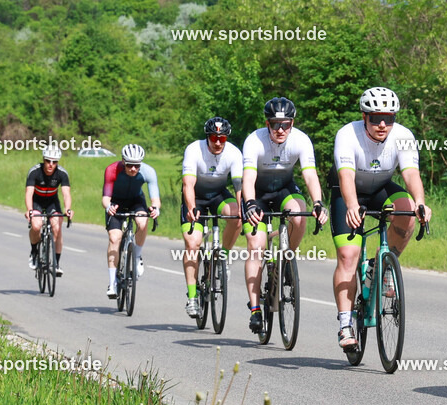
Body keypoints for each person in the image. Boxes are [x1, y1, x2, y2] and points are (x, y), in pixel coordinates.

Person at [329, 87, 431, 348]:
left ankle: (383, 267)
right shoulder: (347, 134)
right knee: (348, 256)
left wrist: (420, 202)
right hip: (347, 192)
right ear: (364, 117)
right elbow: (346, 176)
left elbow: (410, 173)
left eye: (389, 118)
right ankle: (345, 324)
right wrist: (352, 205)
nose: (382, 125)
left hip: (380, 188)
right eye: (375, 118)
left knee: (407, 211)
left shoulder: (403, 136)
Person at [240, 97, 327, 334]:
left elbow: (309, 174)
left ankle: (286, 259)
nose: (280, 130)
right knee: (255, 246)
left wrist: (318, 202)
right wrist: (249, 203)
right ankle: (255, 309)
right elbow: (248, 177)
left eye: (285, 125)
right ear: (267, 124)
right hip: (257, 193)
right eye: (275, 124)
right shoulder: (254, 140)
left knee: (299, 216)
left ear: (292, 123)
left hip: (284, 189)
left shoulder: (301, 140)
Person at [180, 117, 243, 318]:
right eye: (214, 138)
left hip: (218, 195)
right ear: (207, 137)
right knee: (192, 244)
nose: (217, 142)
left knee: (237, 217)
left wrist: (243, 209)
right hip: (196, 197)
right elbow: (188, 184)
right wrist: (191, 207)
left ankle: (222, 257)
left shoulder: (234, 153)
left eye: (222, 138)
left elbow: (239, 186)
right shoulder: (194, 150)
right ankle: (192, 297)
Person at [102, 144, 161, 298]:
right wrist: (108, 207)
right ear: (123, 161)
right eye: (129, 165)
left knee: (142, 222)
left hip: (136, 200)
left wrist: (155, 209)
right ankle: (112, 283)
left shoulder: (148, 171)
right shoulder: (112, 170)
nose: (133, 169)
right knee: (114, 238)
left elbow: (155, 199)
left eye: (137, 165)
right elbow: (105, 198)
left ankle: (136, 257)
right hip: (116, 202)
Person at [24, 146, 73, 273]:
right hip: (37, 202)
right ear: (43, 160)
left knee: (57, 228)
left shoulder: (62, 173)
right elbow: (29, 193)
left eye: (54, 162)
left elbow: (66, 194)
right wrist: (29, 210)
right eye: (48, 161)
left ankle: (56, 264)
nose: (51, 164)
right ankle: (34, 252)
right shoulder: (34, 171)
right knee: (36, 226)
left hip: (52, 202)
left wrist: (68, 209)